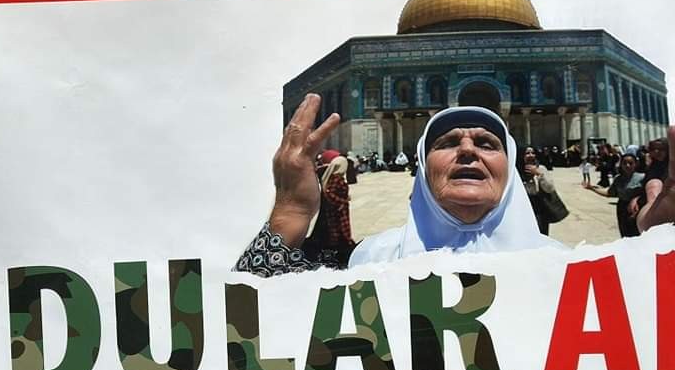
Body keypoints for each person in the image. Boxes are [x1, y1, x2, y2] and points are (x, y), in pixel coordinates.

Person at [235, 98, 558, 276]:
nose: (468, 151)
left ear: (509, 164)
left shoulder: (566, 268)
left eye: (487, 143)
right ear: (422, 166)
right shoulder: (368, 261)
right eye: (447, 143)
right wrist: (291, 210)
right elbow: (245, 322)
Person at [587, 153, 646, 237]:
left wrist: (637, 199)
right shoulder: (618, 179)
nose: (627, 165)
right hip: (622, 208)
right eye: (624, 163)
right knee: (625, 233)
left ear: (636, 164)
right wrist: (592, 188)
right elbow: (609, 193)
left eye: (630, 163)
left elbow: (646, 193)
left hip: (636, 208)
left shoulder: (642, 177)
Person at [520, 146, 564, 235]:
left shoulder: (541, 169)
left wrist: (538, 173)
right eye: (527, 153)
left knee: (541, 233)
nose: (530, 155)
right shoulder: (518, 170)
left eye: (532, 153)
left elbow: (550, 188)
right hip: (524, 206)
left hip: (539, 207)